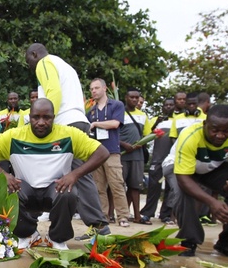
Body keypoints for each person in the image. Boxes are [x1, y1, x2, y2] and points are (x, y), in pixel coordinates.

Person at [0, 98, 109, 249]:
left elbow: (102, 153)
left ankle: (56, 238)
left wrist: (75, 174)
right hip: (25, 190)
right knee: (8, 190)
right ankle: (28, 234)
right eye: (36, 117)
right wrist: (3, 175)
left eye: (47, 117)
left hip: (55, 191)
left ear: (54, 117)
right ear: (29, 117)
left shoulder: (70, 135)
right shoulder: (14, 136)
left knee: (69, 193)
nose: (41, 122)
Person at [25, 43, 110, 238]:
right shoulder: (65, 66)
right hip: (79, 121)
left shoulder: (44, 63)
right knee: (81, 175)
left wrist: (46, 123)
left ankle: (31, 225)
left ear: (35, 54)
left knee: (41, 169)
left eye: (28, 60)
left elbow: (54, 93)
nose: (29, 65)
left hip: (64, 124)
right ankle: (98, 225)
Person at [174, 104, 228, 257]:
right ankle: (189, 241)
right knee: (183, 193)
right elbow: (183, 178)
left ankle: (227, 241)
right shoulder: (190, 135)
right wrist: (212, 202)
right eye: (214, 129)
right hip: (181, 170)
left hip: (213, 169)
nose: (220, 135)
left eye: (226, 130)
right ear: (205, 124)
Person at [87, 78, 131, 227]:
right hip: (96, 153)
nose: (93, 91)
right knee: (98, 187)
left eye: (96, 88)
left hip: (111, 151)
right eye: (92, 89)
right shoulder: (91, 111)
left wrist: (95, 124)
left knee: (117, 185)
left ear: (105, 88)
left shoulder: (116, 105)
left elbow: (115, 123)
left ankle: (123, 216)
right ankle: (102, 216)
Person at [139, 97, 176, 224]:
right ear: (162, 107)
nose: (168, 107)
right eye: (166, 105)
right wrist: (156, 123)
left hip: (172, 159)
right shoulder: (156, 120)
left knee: (171, 187)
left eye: (171, 105)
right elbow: (147, 137)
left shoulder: (178, 120)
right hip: (157, 159)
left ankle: (165, 214)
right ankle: (147, 213)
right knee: (153, 187)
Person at [121, 87, 148, 223]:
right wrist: (123, 144)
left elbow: (147, 135)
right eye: (132, 97)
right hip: (121, 154)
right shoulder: (119, 113)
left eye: (137, 97)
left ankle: (137, 216)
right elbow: (113, 134)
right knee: (117, 185)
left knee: (135, 186)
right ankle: (113, 214)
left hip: (137, 156)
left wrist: (142, 143)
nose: (134, 100)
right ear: (126, 97)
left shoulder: (143, 116)